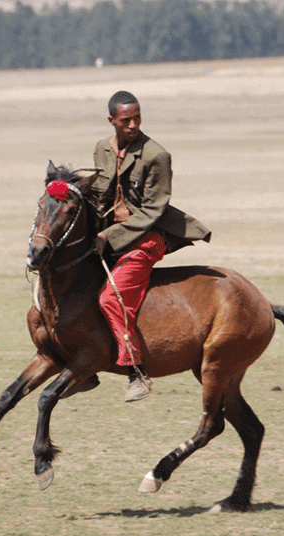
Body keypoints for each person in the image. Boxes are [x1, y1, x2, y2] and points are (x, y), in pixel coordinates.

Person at [89, 90, 211, 402]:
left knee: (110, 299)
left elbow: (151, 212)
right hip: (110, 234)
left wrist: (109, 238)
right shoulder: (102, 149)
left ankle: (137, 371)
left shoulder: (156, 155)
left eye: (137, 118)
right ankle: (82, 364)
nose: (132, 125)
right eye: (125, 120)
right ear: (112, 120)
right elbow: (99, 196)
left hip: (148, 238)